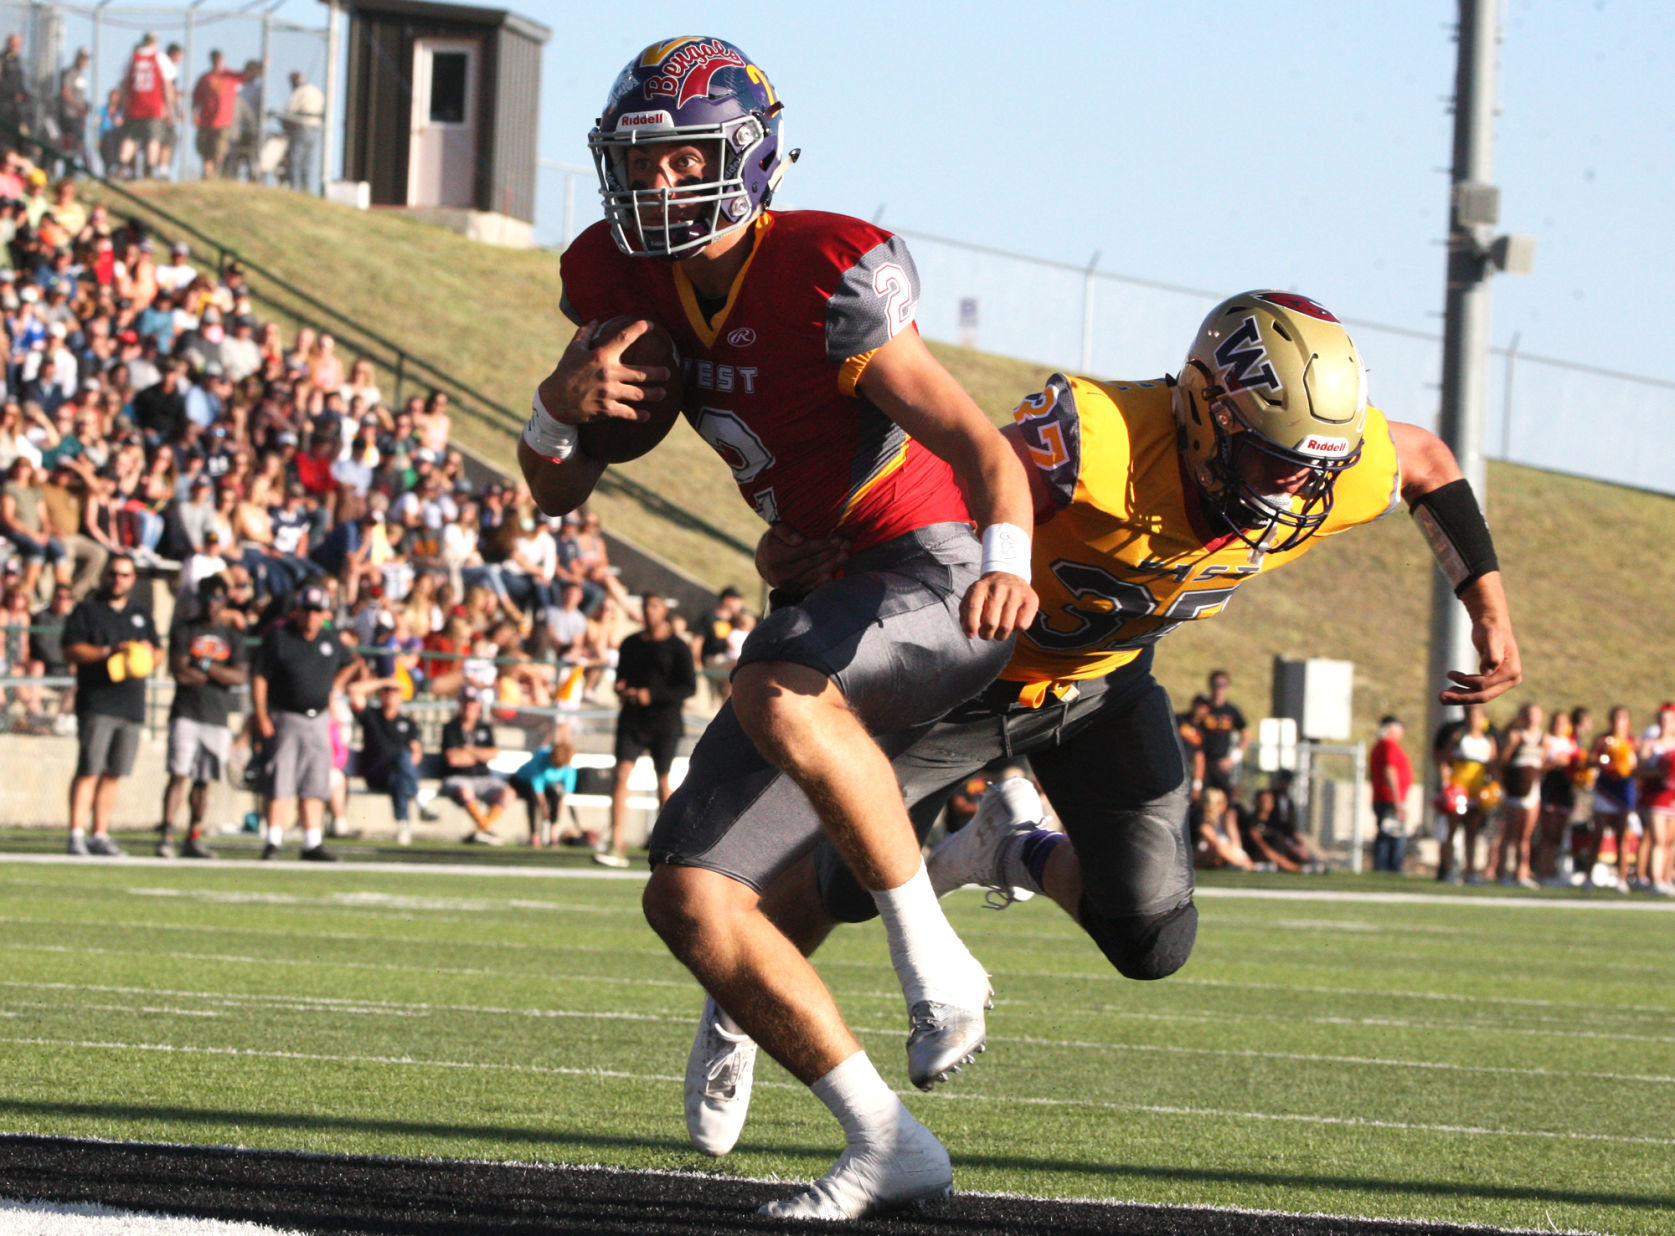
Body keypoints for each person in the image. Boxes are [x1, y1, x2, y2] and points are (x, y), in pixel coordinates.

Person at [707, 289, 1523, 1178]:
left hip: (1100, 689)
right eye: (1270, 458)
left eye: (1309, 466)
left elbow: (1426, 460)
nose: (1293, 487)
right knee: (842, 888)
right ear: (1207, 415)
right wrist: (799, 560)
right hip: (960, 680)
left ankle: (1009, 850)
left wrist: (1487, 608)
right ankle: (741, 1012)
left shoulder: (1325, 468)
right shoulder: (1096, 440)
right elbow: (932, 498)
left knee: (1151, 943)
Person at [517, 37, 1037, 1220]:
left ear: (747, 159)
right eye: (639, 162)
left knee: (775, 690)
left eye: (683, 159)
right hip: (822, 597)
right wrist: (553, 408)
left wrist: (1009, 563)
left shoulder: (823, 269)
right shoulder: (616, 280)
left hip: (934, 571)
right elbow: (555, 489)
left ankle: (934, 957)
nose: (657, 184)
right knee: (688, 900)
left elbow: (979, 445)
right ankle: (885, 1143)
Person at [251, 584, 358, 861]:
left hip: (318, 718)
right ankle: (273, 840)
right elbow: (259, 676)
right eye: (307, 610)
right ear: (297, 611)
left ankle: (312, 841)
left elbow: (350, 662)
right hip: (286, 717)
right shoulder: (280, 637)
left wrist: (333, 688)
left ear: (324, 614)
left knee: (315, 782)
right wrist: (261, 714)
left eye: (317, 611)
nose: (311, 616)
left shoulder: (329, 640)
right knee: (280, 780)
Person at [62, 554, 160, 856]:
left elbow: (158, 653)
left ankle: (100, 834)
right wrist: (109, 651)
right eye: (114, 574)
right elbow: (71, 650)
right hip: (98, 702)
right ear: (104, 576)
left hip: (131, 704)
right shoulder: (88, 610)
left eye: (125, 575)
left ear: (133, 579)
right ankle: (76, 833)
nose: (118, 580)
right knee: (89, 769)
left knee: (113, 773)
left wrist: (146, 654)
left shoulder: (140, 614)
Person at [595, 591, 694, 867]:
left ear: (664, 611)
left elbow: (688, 687)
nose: (649, 611)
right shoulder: (630, 643)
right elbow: (621, 677)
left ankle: (667, 845)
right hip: (632, 719)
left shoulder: (678, 647)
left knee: (663, 780)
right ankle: (616, 842)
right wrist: (623, 689)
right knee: (621, 773)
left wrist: (652, 695)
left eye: (655, 606)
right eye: (646, 606)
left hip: (665, 721)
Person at [157, 574, 246, 859]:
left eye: (217, 597)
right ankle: (167, 834)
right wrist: (218, 675)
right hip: (186, 712)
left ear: (225, 600)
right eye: (207, 597)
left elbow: (238, 677)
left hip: (216, 716)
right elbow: (181, 673)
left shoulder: (232, 636)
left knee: (204, 780)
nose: (211, 603)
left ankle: (194, 836)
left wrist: (205, 666)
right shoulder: (185, 630)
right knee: (179, 774)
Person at [348, 674, 426, 846]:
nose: (391, 694)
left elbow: (416, 753)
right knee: (401, 755)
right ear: (381, 694)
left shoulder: (408, 723)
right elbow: (354, 690)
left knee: (399, 776)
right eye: (387, 691)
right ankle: (419, 798)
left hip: (397, 775)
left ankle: (403, 825)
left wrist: (404, 765)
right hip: (375, 773)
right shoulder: (371, 715)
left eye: (394, 691)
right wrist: (384, 681)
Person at [1435, 703, 1498, 884]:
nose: (1473, 719)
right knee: (1452, 830)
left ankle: (1470, 871)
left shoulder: (1488, 740)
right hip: (1458, 790)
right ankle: (1448, 870)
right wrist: (1446, 784)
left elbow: (1492, 766)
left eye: (1476, 716)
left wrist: (1492, 787)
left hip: (1476, 792)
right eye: (1470, 715)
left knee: (1472, 832)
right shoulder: (1458, 736)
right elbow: (1445, 761)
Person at [1487, 702, 1545, 887]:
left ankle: (1521, 872)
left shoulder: (1543, 738)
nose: (1531, 717)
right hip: (1514, 789)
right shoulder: (1514, 735)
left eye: (1535, 713)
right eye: (1528, 713)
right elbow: (1501, 762)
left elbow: (1542, 763)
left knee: (1525, 836)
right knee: (1509, 834)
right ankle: (1502, 873)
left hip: (1532, 790)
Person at [1581, 706, 1638, 892]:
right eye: (1615, 718)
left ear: (1627, 722)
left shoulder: (1631, 741)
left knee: (1622, 835)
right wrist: (1604, 761)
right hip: (1605, 789)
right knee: (1597, 834)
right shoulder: (1603, 740)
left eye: (1622, 718)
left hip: (1624, 790)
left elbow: (1636, 765)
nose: (1618, 722)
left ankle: (1621, 878)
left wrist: (1625, 765)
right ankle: (1588, 877)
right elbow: (1590, 760)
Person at [441, 688, 509, 843]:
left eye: (472, 702)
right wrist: (480, 755)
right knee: (465, 790)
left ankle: (481, 830)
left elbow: (493, 754)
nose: (469, 706)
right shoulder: (451, 727)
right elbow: (453, 759)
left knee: (508, 792)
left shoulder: (484, 727)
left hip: (483, 777)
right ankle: (486, 830)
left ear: (478, 705)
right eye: (466, 702)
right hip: (458, 777)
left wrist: (469, 750)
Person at [509, 721, 578, 848]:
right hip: (522, 781)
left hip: (545, 785)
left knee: (555, 796)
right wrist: (544, 808)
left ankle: (553, 835)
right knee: (532, 799)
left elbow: (564, 793)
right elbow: (537, 787)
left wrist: (557, 812)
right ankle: (534, 835)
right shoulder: (541, 758)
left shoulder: (568, 767)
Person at [120, 33, 176, 179]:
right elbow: (167, 85)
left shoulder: (133, 57)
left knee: (130, 138)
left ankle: (123, 166)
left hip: (134, 106)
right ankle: (150, 169)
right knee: (153, 139)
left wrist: (124, 105)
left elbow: (124, 83)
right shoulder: (159, 57)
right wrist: (170, 110)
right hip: (154, 107)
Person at [1369, 715, 1413, 873]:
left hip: (1385, 797)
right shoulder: (1388, 745)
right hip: (1389, 798)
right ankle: (1391, 868)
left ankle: (1383, 867)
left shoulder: (1380, 746)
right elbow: (1390, 770)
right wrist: (1397, 801)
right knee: (1393, 835)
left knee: (1386, 833)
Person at [190, 51, 245, 179]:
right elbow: (196, 98)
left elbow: (248, 75)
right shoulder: (205, 78)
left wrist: (262, 65)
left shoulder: (230, 75)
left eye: (220, 60)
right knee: (206, 152)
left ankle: (216, 174)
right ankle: (208, 176)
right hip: (206, 122)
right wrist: (195, 113)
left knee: (219, 152)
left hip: (223, 122)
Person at [1196, 670, 1248, 796]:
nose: (1219, 688)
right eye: (1216, 684)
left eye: (1223, 684)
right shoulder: (1204, 708)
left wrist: (1233, 758)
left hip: (1221, 764)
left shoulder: (1231, 711)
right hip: (1203, 762)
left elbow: (1246, 734)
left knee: (1227, 798)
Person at [280, 71, 323, 193]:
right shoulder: (315, 91)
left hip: (302, 128)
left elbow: (290, 111)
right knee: (307, 161)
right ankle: (306, 189)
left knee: (296, 160)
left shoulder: (298, 92)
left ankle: (296, 188)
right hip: (315, 129)